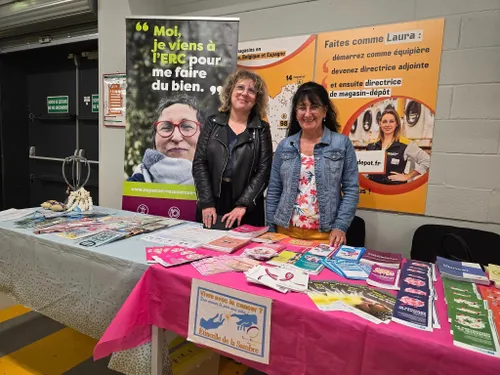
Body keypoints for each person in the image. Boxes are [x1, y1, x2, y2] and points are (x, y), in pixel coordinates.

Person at [266, 81, 359, 248]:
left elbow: (351, 189)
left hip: (325, 235)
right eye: (302, 108)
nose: (307, 113)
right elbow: (274, 189)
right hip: (284, 232)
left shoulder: (341, 144)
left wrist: (340, 226)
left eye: (314, 107)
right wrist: (270, 227)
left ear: (325, 111)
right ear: (296, 113)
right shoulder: (285, 146)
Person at [192, 69, 272, 229]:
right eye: (240, 87)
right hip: (212, 205)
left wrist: (243, 204)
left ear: (256, 99)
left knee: (244, 253)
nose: (245, 93)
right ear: (230, 92)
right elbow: (200, 163)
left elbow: (264, 170)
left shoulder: (261, 129)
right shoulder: (212, 123)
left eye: (251, 91)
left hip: (247, 208)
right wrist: (207, 203)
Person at [128, 93, 206, 184]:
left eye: (187, 126)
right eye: (166, 128)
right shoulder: (130, 190)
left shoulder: (222, 190)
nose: (176, 137)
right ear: (154, 143)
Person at [366, 108, 430, 185]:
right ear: (380, 124)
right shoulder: (372, 145)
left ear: (396, 124)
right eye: (384, 121)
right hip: (373, 189)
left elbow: (426, 160)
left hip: (395, 191)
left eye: (391, 121)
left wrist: (408, 176)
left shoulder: (406, 144)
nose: (387, 125)